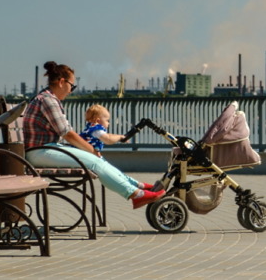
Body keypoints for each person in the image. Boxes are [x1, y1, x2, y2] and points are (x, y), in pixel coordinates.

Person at [23, 61, 164, 209]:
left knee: (98, 160)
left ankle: (137, 186)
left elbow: (66, 133)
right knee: (95, 161)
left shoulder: (48, 98)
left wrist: (91, 151)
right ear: (61, 82)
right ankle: (136, 194)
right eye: (72, 85)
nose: (71, 90)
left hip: (46, 149)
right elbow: (67, 134)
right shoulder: (48, 100)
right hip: (40, 152)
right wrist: (90, 150)